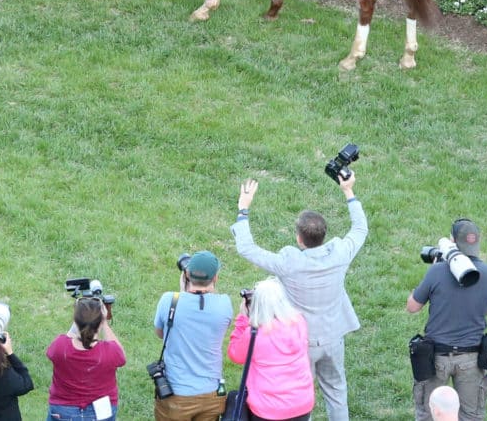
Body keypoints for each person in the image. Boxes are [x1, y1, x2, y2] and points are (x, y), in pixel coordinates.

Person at [232, 174, 366, 421]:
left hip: (299, 340)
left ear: (298, 238)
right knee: (337, 392)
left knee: (301, 396)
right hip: (333, 336)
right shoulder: (340, 253)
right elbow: (360, 228)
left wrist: (243, 209)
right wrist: (348, 191)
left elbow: (247, 248)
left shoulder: (289, 263)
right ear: (323, 234)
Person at [406, 218, 487, 421]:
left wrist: (431, 276)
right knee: (471, 416)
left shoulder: (437, 271)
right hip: (471, 359)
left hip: (436, 357)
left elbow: (412, 307)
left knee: (429, 415)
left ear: (452, 242)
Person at [153, 251, 233, 421]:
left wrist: (183, 292)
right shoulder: (224, 304)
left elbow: (160, 333)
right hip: (211, 394)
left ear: (186, 274)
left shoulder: (170, 300)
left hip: (176, 393)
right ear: (216, 278)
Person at [228, 278, 315, 421]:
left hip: (267, 409)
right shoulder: (299, 321)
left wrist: (243, 319)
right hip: (301, 404)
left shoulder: (254, 335)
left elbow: (235, 354)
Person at [45, 297, 126, 420]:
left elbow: (61, 345)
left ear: (76, 321)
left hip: (63, 411)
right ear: (99, 322)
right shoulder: (110, 351)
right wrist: (104, 322)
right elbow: (121, 356)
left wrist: (81, 316)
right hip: (101, 412)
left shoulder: (61, 347)